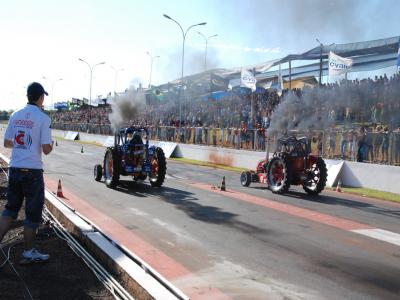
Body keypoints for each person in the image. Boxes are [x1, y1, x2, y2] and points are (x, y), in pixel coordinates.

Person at [0, 82, 53, 262]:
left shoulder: (15, 115)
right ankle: (28, 252)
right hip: (33, 172)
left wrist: (22, 144)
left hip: (15, 168)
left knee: (10, 210)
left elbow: (7, 143)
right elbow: (46, 149)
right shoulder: (43, 118)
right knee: (32, 214)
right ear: (40, 97)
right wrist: (47, 144)